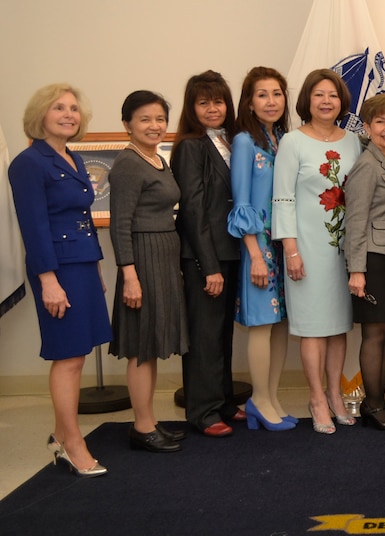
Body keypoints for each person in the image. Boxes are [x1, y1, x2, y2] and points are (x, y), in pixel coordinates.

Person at [8, 83, 110, 476]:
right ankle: (72, 442)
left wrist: (97, 266)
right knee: (67, 357)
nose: (69, 114)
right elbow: (33, 227)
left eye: (74, 109)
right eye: (58, 108)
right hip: (56, 269)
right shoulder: (29, 163)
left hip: (82, 265)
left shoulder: (74, 157)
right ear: (40, 116)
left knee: (78, 353)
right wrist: (48, 280)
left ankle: (58, 434)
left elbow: (82, 221)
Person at [272, 69, 361, 434]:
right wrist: (290, 250)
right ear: (307, 100)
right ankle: (316, 399)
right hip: (306, 249)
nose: (327, 101)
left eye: (333, 95)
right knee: (312, 328)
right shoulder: (292, 142)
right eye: (319, 95)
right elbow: (283, 198)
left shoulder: (353, 141)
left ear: (342, 101)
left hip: (345, 250)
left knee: (338, 326)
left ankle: (336, 395)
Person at [109, 90, 186, 453]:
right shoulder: (127, 164)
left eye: (160, 119)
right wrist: (130, 275)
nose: (154, 126)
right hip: (141, 258)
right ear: (127, 125)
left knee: (151, 345)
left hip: (163, 255)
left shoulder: (156, 158)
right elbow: (120, 225)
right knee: (141, 347)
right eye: (145, 119)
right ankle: (142, 427)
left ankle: (149, 421)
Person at [170, 70, 243, 438]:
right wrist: (208, 266)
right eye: (204, 102)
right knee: (204, 336)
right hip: (205, 255)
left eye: (218, 101)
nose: (212, 108)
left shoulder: (230, 140)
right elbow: (193, 210)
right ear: (192, 107)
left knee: (222, 333)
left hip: (230, 251)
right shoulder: (190, 146)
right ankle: (202, 410)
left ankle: (224, 401)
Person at [227, 66, 295, 432]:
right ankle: (258, 399)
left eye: (277, 93)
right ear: (250, 103)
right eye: (262, 94)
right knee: (261, 324)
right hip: (259, 246)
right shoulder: (243, 142)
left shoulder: (284, 138)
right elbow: (241, 203)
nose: (271, 101)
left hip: (285, 243)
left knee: (281, 325)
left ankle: (272, 396)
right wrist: (254, 253)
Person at [344, 94, 385, 431]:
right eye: (380, 122)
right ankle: (373, 404)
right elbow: (354, 221)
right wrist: (357, 270)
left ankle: (378, 402)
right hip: (372, 258)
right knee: (374, 333)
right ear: (367, 128)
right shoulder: (367, 165)